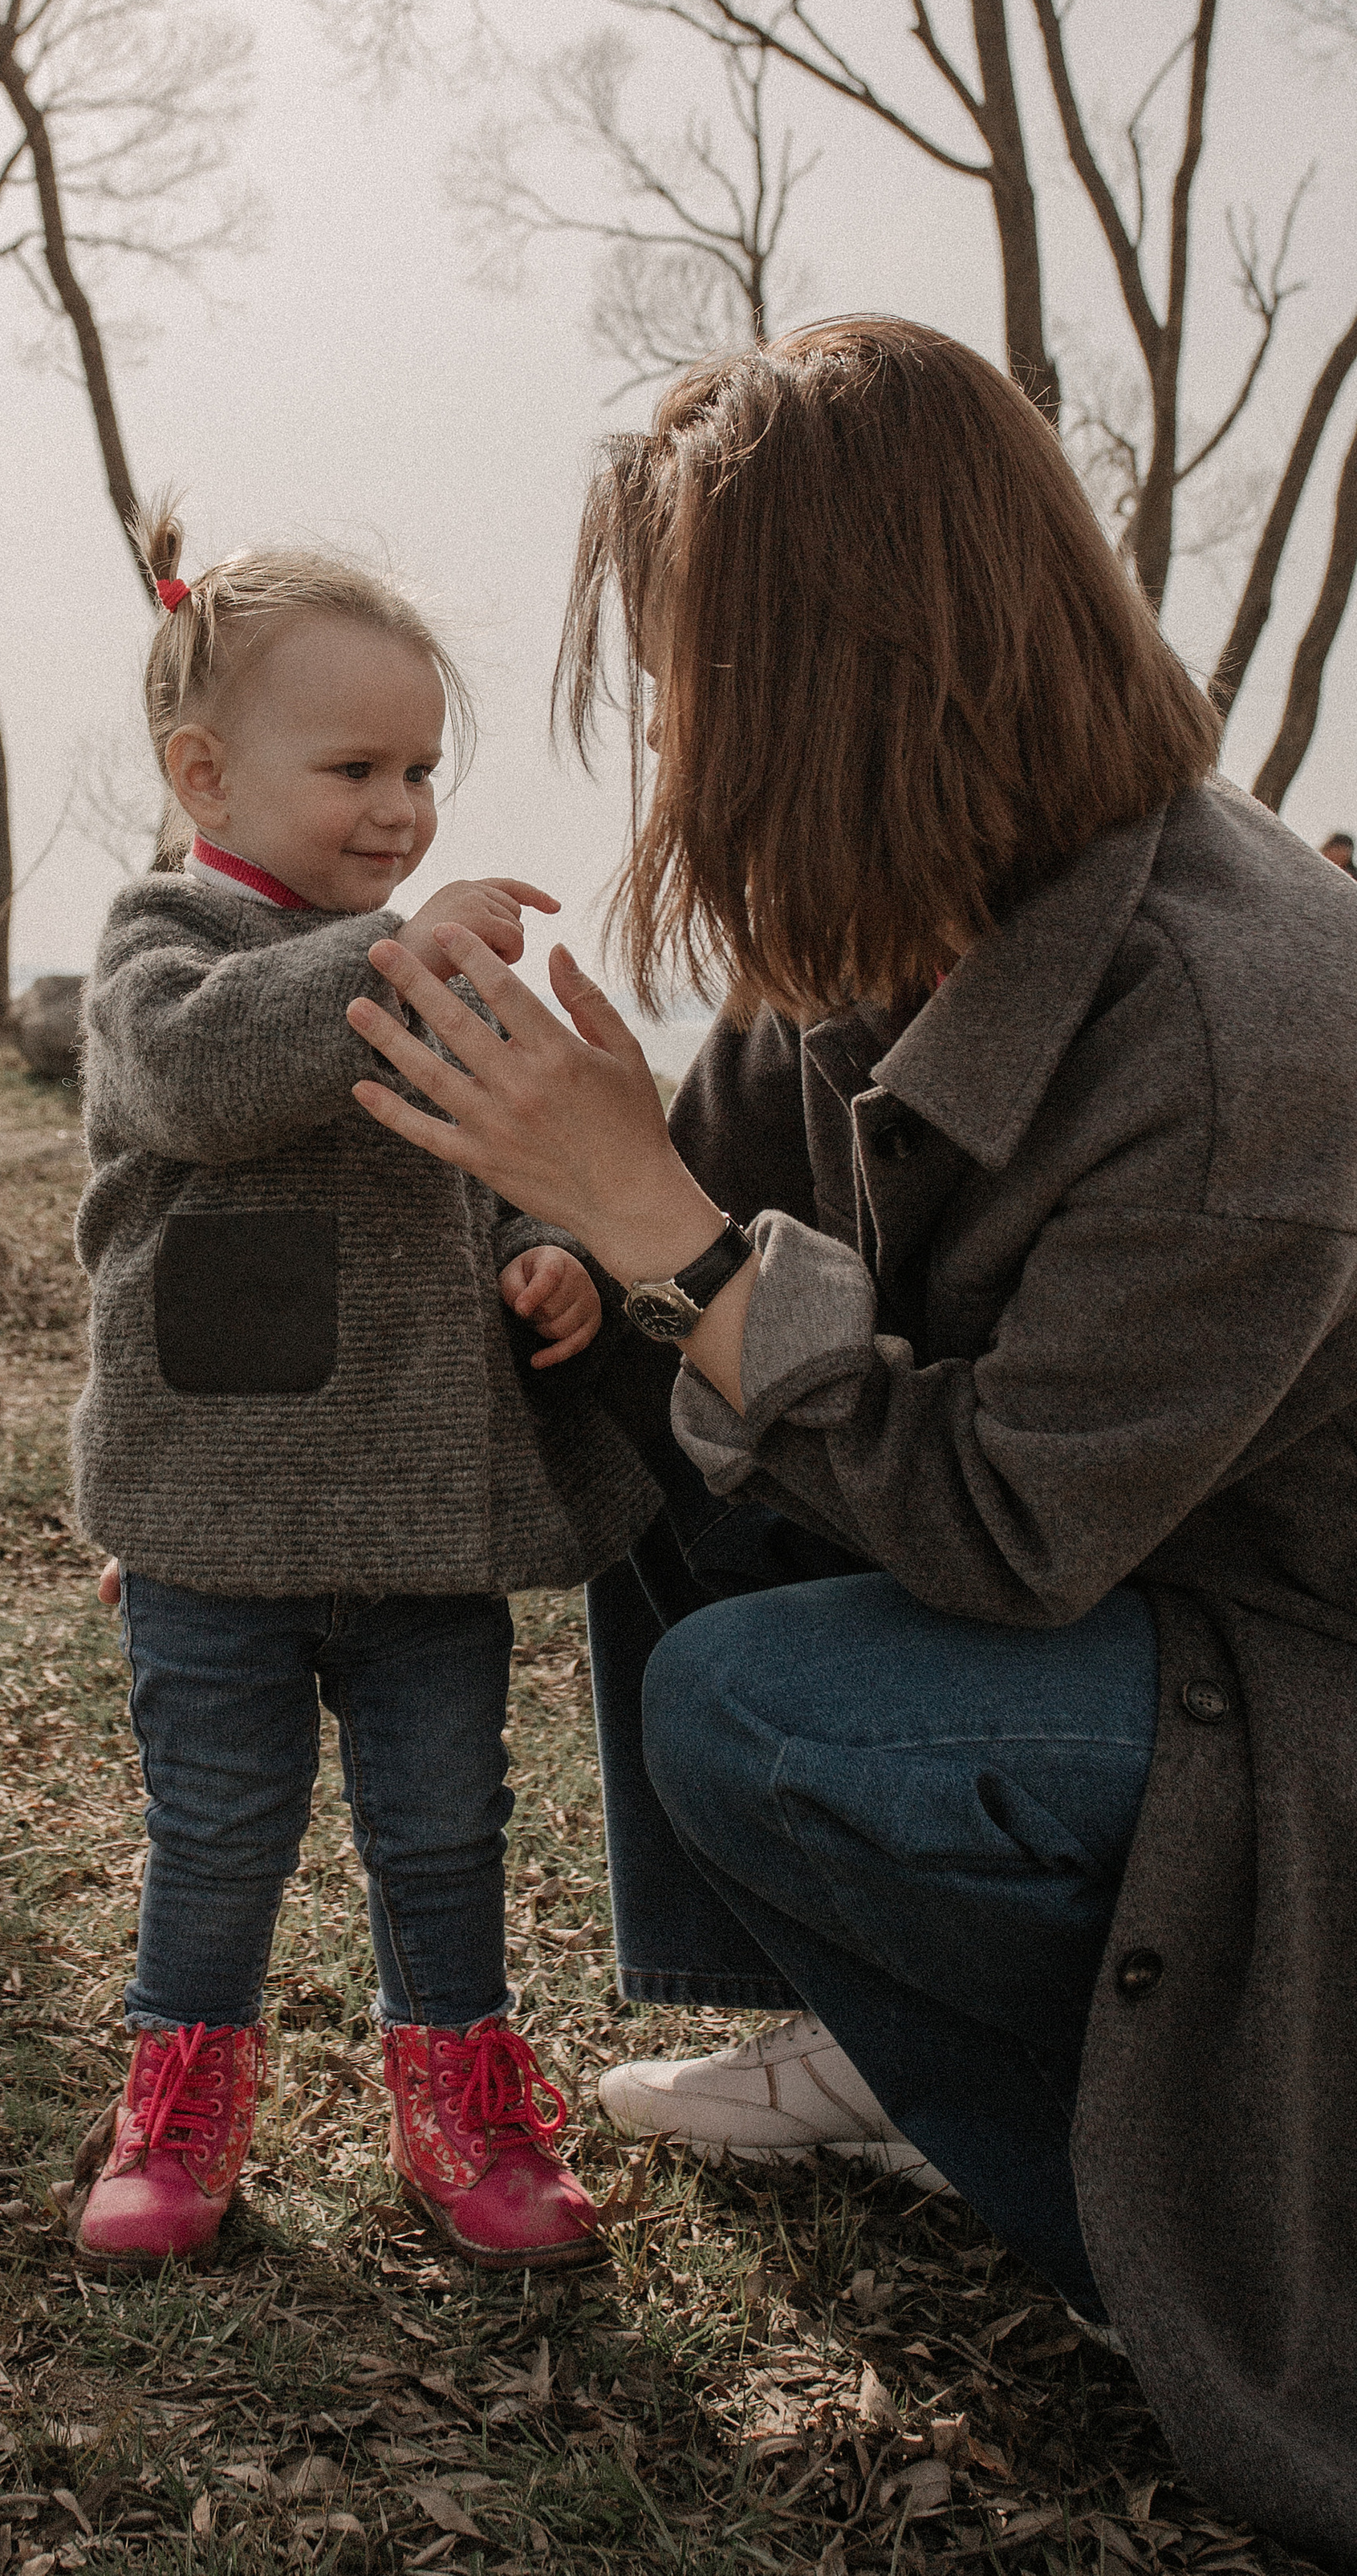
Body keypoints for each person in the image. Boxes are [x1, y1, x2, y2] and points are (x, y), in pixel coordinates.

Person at [343, 318, 1357, 2566]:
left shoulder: (1249, 1013)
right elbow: (669, 1283)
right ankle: (859, 2034)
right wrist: (543, 1274)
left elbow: (1007, 1529)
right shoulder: (898, 912)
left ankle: (1120, 2193)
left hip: (1292, 1685)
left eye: (686, 679)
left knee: (762, 1706)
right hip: (1128, 1591)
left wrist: (657, 1231)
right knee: (642, 1386)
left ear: (843, 679)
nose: (665, 736)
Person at [67, 507, 659, 2277]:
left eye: (418, 768)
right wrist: (395, 955)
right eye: (353, 769)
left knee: (442, 1828)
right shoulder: (161, 944)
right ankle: (180, 2102)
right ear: (205, 773)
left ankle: (462, 2099)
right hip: (212, 1525)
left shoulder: (417, 966)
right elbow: (201, 1078)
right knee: (218, 1830)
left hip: (424, 1517)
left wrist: (542, 1249)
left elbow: (494, 1165)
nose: (399, 809)